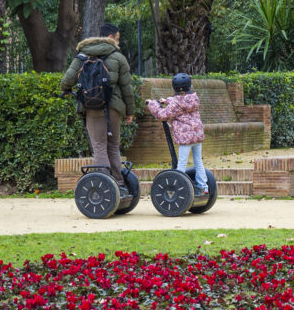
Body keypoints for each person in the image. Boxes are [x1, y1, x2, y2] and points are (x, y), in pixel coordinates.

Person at [61, 23, 136, 192]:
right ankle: (119, 184)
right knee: (113, 146)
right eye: (118, 39)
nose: (118, 43)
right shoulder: (118, 57)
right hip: (114, 107)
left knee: (99, 146)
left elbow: (66, 81)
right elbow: (127, 88)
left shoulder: (82, 56)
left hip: (92, 108)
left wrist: (67, 89)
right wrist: (130, 112)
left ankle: (105, 187)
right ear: (110, 37)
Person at [145, 73, 208, 194]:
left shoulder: (176, 103)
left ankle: (179, 188)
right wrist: (167, 100)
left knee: (181, 164)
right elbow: (181, 102)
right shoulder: (194, 98)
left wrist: (151, 104)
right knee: (198, 162)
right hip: (197, 136)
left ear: (174, 88)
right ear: (189, 86)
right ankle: (204, 187)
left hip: (185, 139)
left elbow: (162, 115)